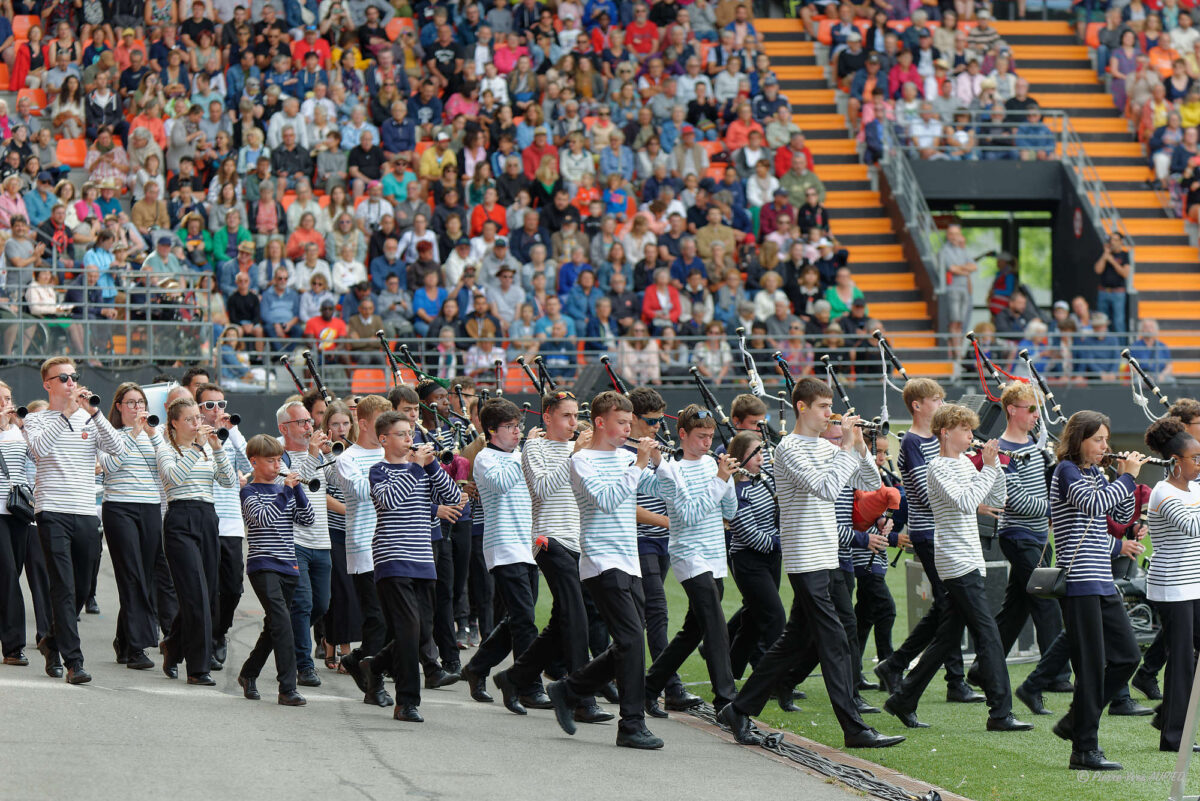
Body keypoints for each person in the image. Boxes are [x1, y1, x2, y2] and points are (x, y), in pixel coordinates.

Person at [718, 377, 904, 750]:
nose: (830, 413)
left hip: (827, 554)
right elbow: (826, 488)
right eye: (823, 407)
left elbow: (870, 482)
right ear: (801, 407)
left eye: (830, 406)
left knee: (794, 641)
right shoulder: (789, 449)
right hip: (805, 556)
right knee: (834, 640)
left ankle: (738, 709)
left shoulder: (825, 447)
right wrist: (846, 448)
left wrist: (860, 448)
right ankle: (854, 728)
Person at [884, 403, 1031, 732]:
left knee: (947, 637)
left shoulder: (965, 462)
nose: (970, 435)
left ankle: (903, 699)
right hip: (955, 560)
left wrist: (996, 467)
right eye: (964, 429)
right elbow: (966, 503)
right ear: (945, 432)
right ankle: (1000, 712)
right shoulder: (937, 468)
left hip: (969, 558)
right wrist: (988, 468)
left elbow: (996, 499)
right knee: (988, 634)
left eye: (970, 429)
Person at [545, 390, 665, 749]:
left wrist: (659, 463)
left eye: (630, 423)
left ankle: (569, 690)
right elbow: (608, 500)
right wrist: (639, 465)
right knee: (631, 641)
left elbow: (663, 490)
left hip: (629, 561)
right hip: (601, 561)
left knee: (629, 642)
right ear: (600, 422)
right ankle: (631, 724)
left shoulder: (628, 457)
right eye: (621, 422)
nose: (628, 429)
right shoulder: (582, 461)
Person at [503, 390, 612, 723]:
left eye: (575, 415)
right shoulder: (534, 447)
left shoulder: (582, 449)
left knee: (565, 617)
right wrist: (575, 456)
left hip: (581, 542)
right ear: (547, 417)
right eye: (566, 416)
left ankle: (515, 677)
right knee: (576, 615)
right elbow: (542, 488)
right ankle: (581, 699)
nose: (573, 422)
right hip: (548, 538)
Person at [875, 379, 982, 704]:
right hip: (929, 532)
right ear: (917, 405)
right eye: (935, 399)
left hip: (945, 532)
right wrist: (968, 498)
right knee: (950, 606)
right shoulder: (912, 442)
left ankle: (897, 664)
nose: (940, 404)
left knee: (946, 606)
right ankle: (953, 679)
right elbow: (926, 493)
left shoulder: (939, 442)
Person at [1049, 410, 1145, 771]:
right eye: (1098, 439)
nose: (1105, 445)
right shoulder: (1066, 471)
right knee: (1090, 667)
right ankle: (1084, 749)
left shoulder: (1094, 474)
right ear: (1079, 440)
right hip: (1078, 582)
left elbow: (1118, 516)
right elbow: (1092, 505)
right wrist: (1126, 477)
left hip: (1102, 580)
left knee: (1127, 657)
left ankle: (1076, 720)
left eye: (1106, 439)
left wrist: (1121, 479)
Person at [22, 358, 126, 684]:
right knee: (63, 587)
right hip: (51, 510)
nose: (71, 382)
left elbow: (119, 450)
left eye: (74, 377)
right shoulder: (36, 419)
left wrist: (94, 414)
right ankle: (74, 662)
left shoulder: (88, 417)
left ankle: (51, 641)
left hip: (84, 511)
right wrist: (66, 414)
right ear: (48, 384)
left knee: (81, 587)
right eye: (64, 378)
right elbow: (39, 450)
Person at [973, 383, 1069, 715]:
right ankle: (1055, 675)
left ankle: (982, 669)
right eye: (1031, 409)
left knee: (1016, 610)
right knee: (1047, 601)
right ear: (1012, 410)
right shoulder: (1002, 451)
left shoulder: (1037, 446)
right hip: (1018, 535)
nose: (1036, 416)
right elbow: (1015, 500)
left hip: (1038, 537)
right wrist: (1056, 509)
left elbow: (1046, 488)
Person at [365, 411, 462, 723]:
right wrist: (417, 468)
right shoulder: (378, 471)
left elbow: (454, 496)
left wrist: (432, 466)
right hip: (392, 558)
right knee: (409, 630)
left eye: (410, 433)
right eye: (401, 434)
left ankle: (373, 667)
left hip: (422, 560)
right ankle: (406, 702)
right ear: (384, 439)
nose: (410, 439)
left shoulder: (422, 469)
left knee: (419, 632)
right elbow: (390, 502)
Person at [643, 404, 739, 712]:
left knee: (692, 632)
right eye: (701, 436)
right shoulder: (673, 469)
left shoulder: (713, 465)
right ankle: (727, 700)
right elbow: (689, 515)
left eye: (710, 436)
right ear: (683, 434)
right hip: (689, 555)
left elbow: (730, 512)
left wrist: (728, 480)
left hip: (714, 556)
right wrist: (721, 480)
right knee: (715, 626)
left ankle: (649, 687)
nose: (707, 442)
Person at [459, 399, 546, 714]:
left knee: (516, 620)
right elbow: (501, 484)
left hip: (527, 547)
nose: (517, 432)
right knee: (524, 621)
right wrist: (528, 455)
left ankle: (477, 667)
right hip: (503, 547)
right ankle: (527, 686)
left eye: (518, 426)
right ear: (492, 431)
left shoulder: (521, 456)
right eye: (509, 427)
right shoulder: (486, 458)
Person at [156, 394, 235, 685]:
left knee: (208, 594)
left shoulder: (206, 450)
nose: (196, 423)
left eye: (197, 418)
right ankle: (198, 668)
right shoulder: (166, 449)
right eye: (189, 419)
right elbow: (174, 478)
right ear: (174, 423)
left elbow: (228, 481)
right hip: (180, 517)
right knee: (195, 595)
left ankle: (173, 645)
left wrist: (217, 449)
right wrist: (198, 447)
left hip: (207, 517)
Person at [236, 434, 314, 706]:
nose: (277, 465)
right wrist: (287, 491)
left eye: (279, 460)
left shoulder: (286, 490)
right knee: (283, 623)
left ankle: (248, 673)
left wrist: (298, 489)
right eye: (270, 460)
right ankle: (287, 688)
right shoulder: (249, 492)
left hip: (288, 565)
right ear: (254, 462)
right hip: (263, 564)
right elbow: (263, 519)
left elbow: (308, 519)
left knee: (274, 626)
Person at [98, 382, 168, 671]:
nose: (138, 407)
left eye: (141, 402)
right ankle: (138, 646)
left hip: (150, 507)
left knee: (145, 575)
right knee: (131, 574)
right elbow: (111, 467)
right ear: (119, 406)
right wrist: (134, 433)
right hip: (119, 507)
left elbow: (165, 468)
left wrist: (152, 436)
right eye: (131, 402)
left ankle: (124, 640)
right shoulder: (109, 435)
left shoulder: (155, 433)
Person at [1143, 416, 1200, 752]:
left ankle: (1168, 716)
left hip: (1194, 586)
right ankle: (1173, 737)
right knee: (1181, 660)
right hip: (1173, 588)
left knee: (1189, 660)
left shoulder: (1195, 489)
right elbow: (1192, 527)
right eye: (1195, 458)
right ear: (1176, 462)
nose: (1199, 464)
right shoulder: (1163, 492)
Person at [334, 395, 392, 707]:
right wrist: (397, 469)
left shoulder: (392, 455)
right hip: (364, 546)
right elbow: (362, 491)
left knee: (391, 620)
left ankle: (358, 660)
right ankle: (374, 683)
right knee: (376, 619)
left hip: (393, 545)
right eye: (383, 421)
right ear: (365, 423)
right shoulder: (348, 458)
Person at [278, 401, 336, 689]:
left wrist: (331, 454)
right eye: (301, 422)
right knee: (302, 604)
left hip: (321, 540)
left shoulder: (319, 454)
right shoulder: (280, 458)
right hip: (295, 540)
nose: (308, 427)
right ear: (284, 428)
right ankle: (304, 665)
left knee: (321, 604)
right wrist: (313, 454)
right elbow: (298, 483)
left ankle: (285, 635)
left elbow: (337, 482)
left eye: (309, 422)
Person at [195, 383, 252, 668]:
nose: (217, 410)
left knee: (232, 588)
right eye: (210, 405)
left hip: (230, 522)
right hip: (204, 519)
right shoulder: (194, 436)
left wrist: (233, 431)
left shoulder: (231, 436)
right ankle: (206, 639)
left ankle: (220, 632)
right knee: (207, 587)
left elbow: (251, 464)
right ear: (198, 409)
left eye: (221, 404)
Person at [938, 224, 976, 364]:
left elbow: (974, 266)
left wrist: (961, 269)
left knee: (961, 323)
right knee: (954, 322)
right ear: (948, 235)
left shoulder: (963, 251)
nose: (955, 237)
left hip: (964, 290)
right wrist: (965, 269)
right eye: (952, 234)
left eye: (957, 234)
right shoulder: (944, 251)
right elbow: (952, 269)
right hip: (952, 289)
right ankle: (956, 353)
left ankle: (958, 350)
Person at [1092, 232, 1130, 334]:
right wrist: (1105, 256)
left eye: (1115, 240)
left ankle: (1121, 344)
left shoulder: (1124, 255)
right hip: (1103, 291)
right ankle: (1103, 342)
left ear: (1121, 242)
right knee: (1101, 320)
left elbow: (1125, 273)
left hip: (1118, 293)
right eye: (1111, 240)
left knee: (1118, 322)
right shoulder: (1105, 254)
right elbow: (1098, 270)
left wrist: (1112, 261)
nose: (1112, 242)